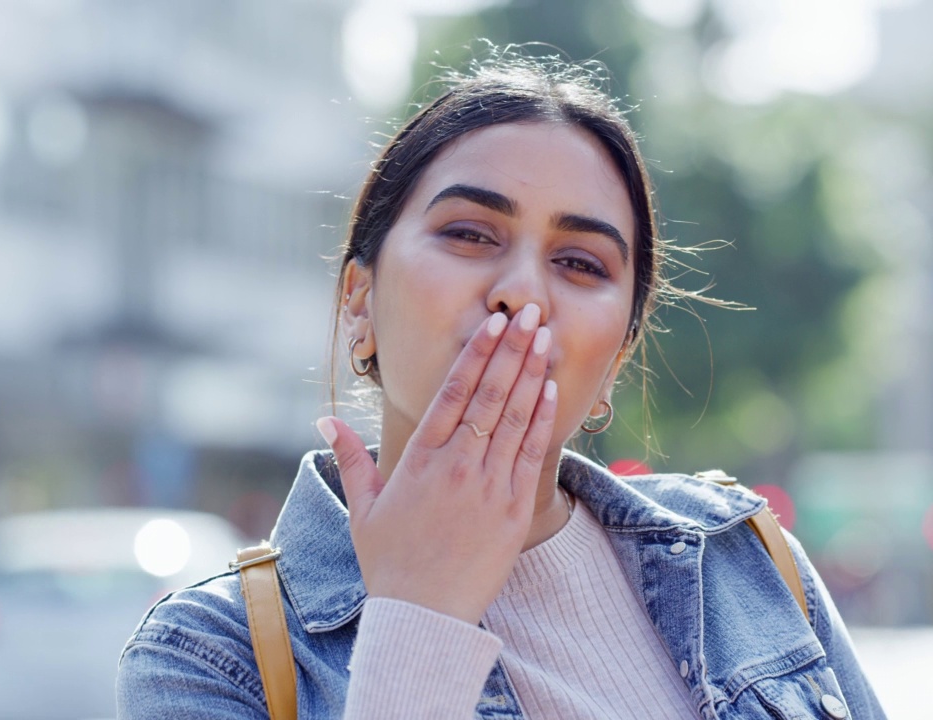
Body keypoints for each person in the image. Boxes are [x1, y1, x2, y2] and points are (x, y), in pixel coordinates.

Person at [116, 51, 887, 720]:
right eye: (469, 235)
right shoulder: (211, 656)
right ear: (359, 298)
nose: (522, 294)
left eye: (581, 263)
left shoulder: (743, 558)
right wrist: (417, 615)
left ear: (618, 354)